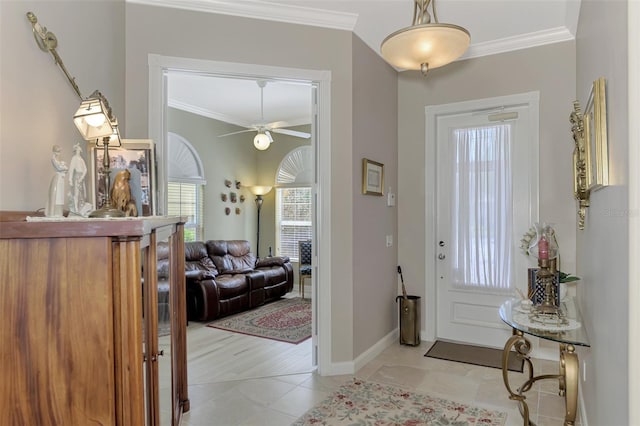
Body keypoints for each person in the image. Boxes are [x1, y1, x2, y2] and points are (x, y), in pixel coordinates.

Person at [45, 145, 68, 217]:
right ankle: (52, 212)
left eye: (59, 151)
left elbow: (65, 168)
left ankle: (58, 213)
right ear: (54, 152)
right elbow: (59, 168)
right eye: (58, 151)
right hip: (57, 178)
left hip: (61, 179)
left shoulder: (59, 161)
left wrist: (64, 167)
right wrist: (64, 167)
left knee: (60, 196)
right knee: (55, 195)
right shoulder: (53, 159)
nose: (59, 153)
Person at [68, 143, 89, 215]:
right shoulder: (74, 158)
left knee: (82, 194)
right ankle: (76, 209)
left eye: (79, 150)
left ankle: (81, 208)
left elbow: (85, 169)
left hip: (81, 177)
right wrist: (70, 179)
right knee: (76, 193)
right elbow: (71, 169)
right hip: (77, 176)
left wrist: (82, 176)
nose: (79, 151)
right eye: (77, 150)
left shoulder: (81, 159)